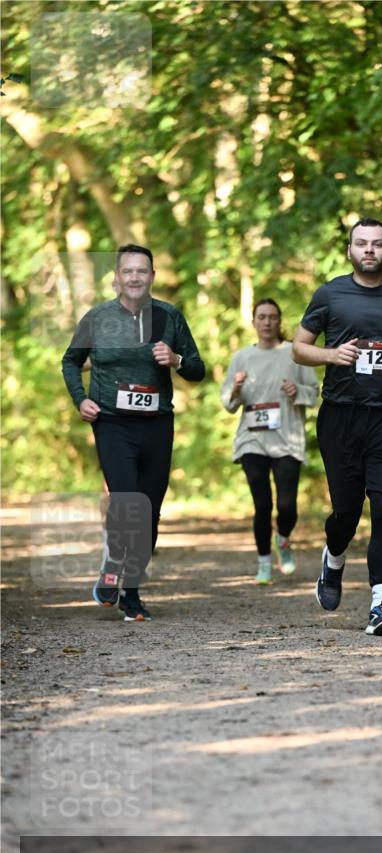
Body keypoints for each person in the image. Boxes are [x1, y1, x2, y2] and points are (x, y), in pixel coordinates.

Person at [293, 218, 382, 637]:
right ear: (350, 250)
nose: (370, 250)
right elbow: (298, 347)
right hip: (340, 416)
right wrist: (330, 356)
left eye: (378, 244)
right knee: (346, 514)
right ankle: (333, 559)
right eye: (362, 244)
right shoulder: (331, 293)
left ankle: (381, 606)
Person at [62, 243, 205, 621]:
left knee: (151, 512)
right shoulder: (97, 318)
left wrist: (175, 360)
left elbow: (197, 369)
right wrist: (81, 399)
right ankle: (118, 571)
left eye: (142, 271)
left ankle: (131, 589)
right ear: (116, 278)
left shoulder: (169, 317)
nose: (135, 277)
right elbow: (71, 361)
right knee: (128, 501)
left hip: (157, 424)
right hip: (112, 422)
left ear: (152, 276)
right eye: (128, 271)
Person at [220, 299, 320, 584]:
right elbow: (227, 402)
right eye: (261, 317)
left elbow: (314, 393)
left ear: (279, 321)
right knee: (262, 505)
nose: (266, 322)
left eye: (272, 317)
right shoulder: (241, 357)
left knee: (287, 506)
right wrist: (237, 388)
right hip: (252, 440)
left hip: (287, 439)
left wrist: (296, 390)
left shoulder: (294, 353)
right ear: (253, 322)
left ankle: (283, 539)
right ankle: (264, 562)